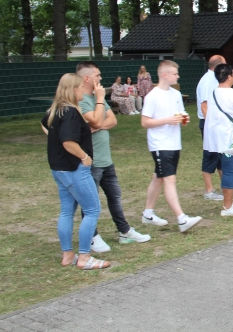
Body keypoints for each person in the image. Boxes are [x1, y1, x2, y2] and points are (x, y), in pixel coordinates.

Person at [76, 62, 151, 252]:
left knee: (115, 197)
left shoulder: (96, 98)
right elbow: (94, 120)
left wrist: (98, 124)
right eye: (97, 75)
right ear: (87, 78)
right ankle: (92, 237)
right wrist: (100, 103)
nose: (100, 78)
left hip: (106, 159)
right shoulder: (81, 99)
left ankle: (124, 231)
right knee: (91, 202)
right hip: (90, 161)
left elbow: (112, 120)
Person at [41, 73, 110, 270]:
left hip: (59, 169)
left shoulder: (56, 110)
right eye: (80, 88)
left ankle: (68, 255)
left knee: (66, 211)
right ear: (73, 90)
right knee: (92, 210)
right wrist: (84, 156)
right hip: (74, 169)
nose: (83, 91)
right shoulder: (70, 113)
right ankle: (84, 257)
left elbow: (46, 125)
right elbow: (68, 142)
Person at [141, 60, 202, 232]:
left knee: (159, 177)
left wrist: (184, 118)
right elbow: (145, 122)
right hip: (160, 144)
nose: (178, 76)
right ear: (165, 75)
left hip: (174, 143)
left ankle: (148, 214)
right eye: (175, 74)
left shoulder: (176, 94)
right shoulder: (152, 96)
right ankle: (182, 219)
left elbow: (180, 113)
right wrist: (167, 120)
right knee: (169, 179)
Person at [204, 64, 233, 217]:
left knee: (226, 170)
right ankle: (228, 206)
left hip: (216, 138)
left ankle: (229, 202)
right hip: (231, 138)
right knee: (230, 171)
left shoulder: (213, 93)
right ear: (230, 76)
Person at [196, 55, 231, 201]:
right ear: (218, 66)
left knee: (220, 155)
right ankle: (209, 190)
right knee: (210, 156)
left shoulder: (213, 79)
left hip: (216, 123)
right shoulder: (208, 81)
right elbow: (204, 106)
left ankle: (226, 186)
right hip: (209, 124)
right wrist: (211, 126)